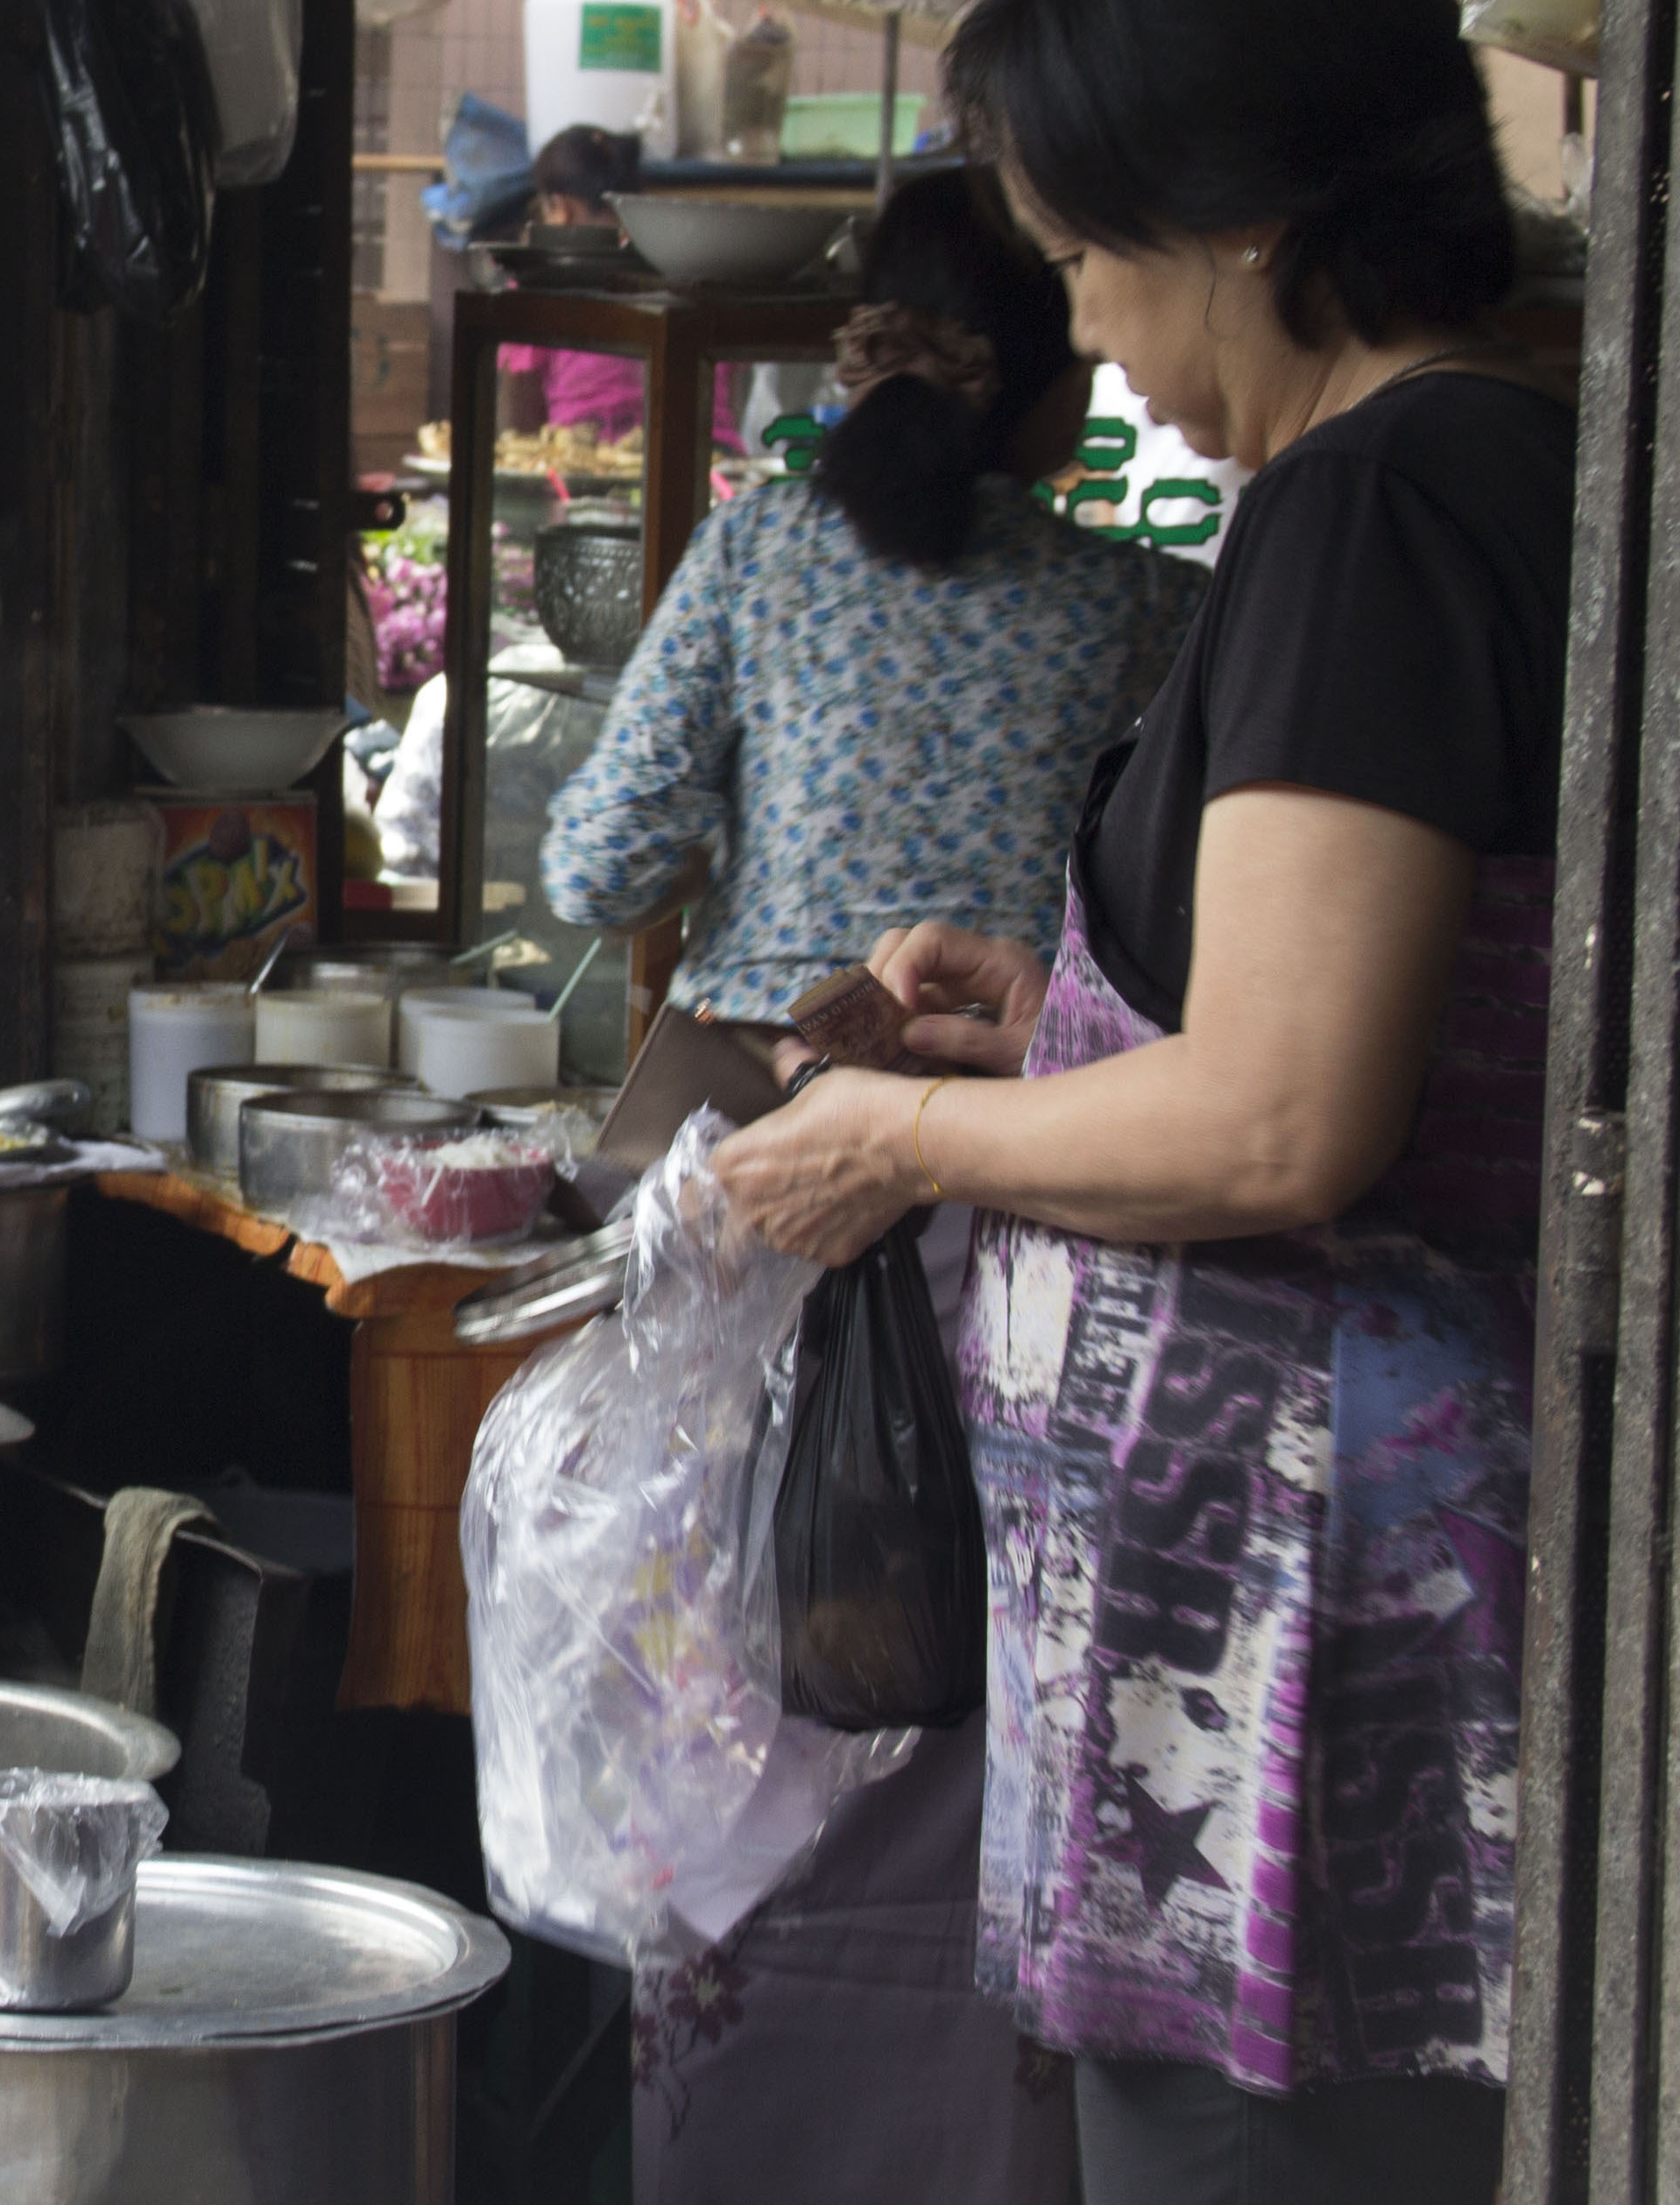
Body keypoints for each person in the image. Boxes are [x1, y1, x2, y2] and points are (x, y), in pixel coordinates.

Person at [706, 0, 1571, 2205]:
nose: (1082, 339)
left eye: (1086, 261)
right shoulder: (1451, 483)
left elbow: (1291, 1111)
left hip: (1302, 1676)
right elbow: (1345, 1020)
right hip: (1280, 1636)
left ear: (1239, 215)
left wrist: (896, 1142)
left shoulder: (1371, 513)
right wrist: (1055, 1031)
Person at [543, 166, 1199, 2204]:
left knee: (738, 1738)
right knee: (964, 1753)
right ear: (1043, 396)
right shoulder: (1125, 601)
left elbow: (585, 868)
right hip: (1027, 1226)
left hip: (759, 1214)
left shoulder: (753, 558)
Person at [497, 124, 741, 448]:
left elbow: (516, 425)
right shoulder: (695, 268)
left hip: (587, 467)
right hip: (711, 465)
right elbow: (727, 398)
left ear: (561, 209)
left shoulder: (538, 284)